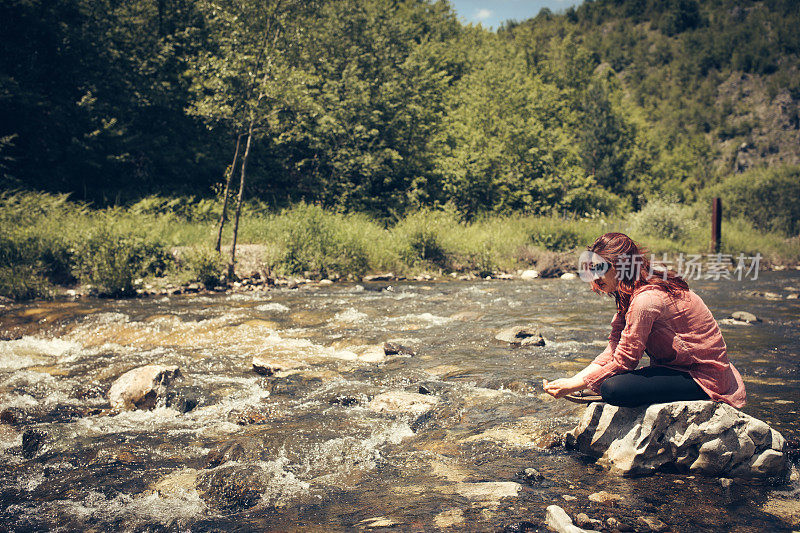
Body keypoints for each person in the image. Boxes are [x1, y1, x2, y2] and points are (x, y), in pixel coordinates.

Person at [542, 232, 746, 408]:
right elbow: (614, 348)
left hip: (703, 377)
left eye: (601, 268)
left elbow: (625, 362)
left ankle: (597, 388)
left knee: (612, 389)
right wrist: (575, 380)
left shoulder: (646, 299)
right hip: (675, 369)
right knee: (607, 383)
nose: (595, 276)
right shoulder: (630, 293)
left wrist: (579, 385)